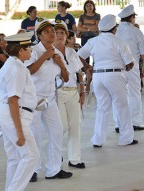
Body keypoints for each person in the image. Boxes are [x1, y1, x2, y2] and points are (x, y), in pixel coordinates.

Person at [77, 14, 138, 147]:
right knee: (122, 106)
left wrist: (87, 67)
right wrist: (125, 68)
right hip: (115, 75)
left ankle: (98, 140)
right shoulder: (119, 42)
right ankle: (126, 138)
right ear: (114, 29)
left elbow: (79, 56)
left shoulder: (93, 41)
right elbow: (130, 63)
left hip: (98, 76)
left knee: (102, 108)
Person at [25, 17, 72, 181]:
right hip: (33, 99)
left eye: (53, 31)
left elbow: (66, 78)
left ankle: (54, 169)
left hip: (50, 99)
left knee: (56, 131)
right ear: (39, 35)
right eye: (47, 31)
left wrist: (61, 65)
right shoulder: (33, 51)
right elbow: (29, 71)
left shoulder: (57, 52)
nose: (52, 34)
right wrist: (45, 56)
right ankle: (32, 171)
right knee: (35, 134)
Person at [0, 32, 39, 191]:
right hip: (14, 114)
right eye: (29, 49)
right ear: (21, 51)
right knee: (31, 156)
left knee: (14, 157)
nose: (31, 52)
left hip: (8, 113)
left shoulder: (13, 64)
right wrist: (19, 131)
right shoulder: (16, 68)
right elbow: (13, 100)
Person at [53, 19, 86, 169]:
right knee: (62, 126)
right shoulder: (50, 52)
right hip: (57, 93)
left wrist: (82, 91)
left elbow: (79, 72)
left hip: (73, 91)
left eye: (62, 33)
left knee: (75, 125)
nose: (60, 35)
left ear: (67, 35)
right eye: (57, 33)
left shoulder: (72, 52)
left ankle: (75, 159)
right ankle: (56, 153)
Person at [115, 4, 144, 132]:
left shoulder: (115, 31)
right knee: (134, 93)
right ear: (132, 17)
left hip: (116, 67)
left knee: (118, 95)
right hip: (132, 66)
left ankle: (119, 124)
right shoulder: (135, 31)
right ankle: (135, 122)